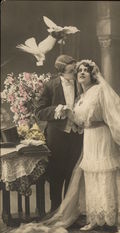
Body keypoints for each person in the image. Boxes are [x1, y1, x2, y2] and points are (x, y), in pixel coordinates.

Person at [11, 60, 120, 233]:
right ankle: (95, 218)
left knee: (105, 172)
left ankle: (111, 217)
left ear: (93, 75)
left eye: (86, 70)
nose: (82, 73)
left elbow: (111, 115)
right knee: (90, 175)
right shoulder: (81, 96)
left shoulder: (100, 90)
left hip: (102, 137)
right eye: (79, 71)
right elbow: (78, 120)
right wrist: (69, 114)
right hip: (88, 139)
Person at [35, 54, 83, 212]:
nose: (75, 74)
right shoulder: (50, 86)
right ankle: (55, 211)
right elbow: (39, 112)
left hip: (77, 135)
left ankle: (69, 212)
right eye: (71, 71)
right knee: (56, 173)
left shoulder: (81, 84)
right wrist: (57, 109)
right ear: (61, 72)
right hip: (56, 136)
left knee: (73, 173)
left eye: (75, 70)